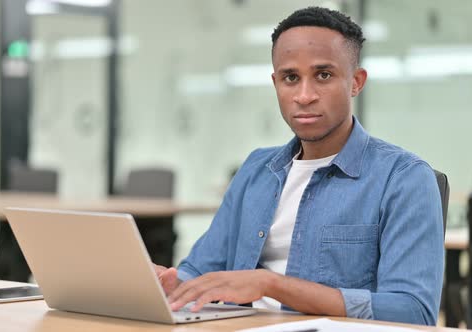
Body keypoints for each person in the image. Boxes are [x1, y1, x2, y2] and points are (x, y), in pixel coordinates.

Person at [155, 6, 444, 326]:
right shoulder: (256, 169)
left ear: (356, 82)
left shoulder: (403, 178)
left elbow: (413, 311)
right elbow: (200, 270)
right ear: (275, 82)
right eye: (290, 78)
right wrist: (173, 285)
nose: (304, 96)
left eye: (323, 75)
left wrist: (271, 284)